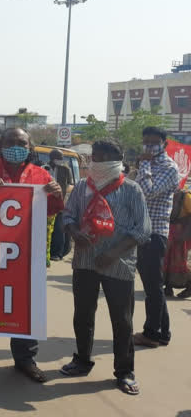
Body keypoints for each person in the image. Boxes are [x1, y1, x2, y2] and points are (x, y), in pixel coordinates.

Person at [0, 127, 63, 382]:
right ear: (0, 146)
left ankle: (25, 358)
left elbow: (52, 211)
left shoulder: (41, 176)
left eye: (22, 142)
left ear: (29, 147)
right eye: (10, 142)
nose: (16, 146)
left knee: (26, 305)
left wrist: (57, 195)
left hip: (27, 253)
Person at [59, 139, 151, 396]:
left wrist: (112, 254)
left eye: (98, 158)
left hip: (119, 264)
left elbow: (142, 230)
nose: (93, 162)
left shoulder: (132, 190)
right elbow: (68, 215)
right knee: (83, 314)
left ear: (114, 159)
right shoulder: (81, 188)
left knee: (122, 320)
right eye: (92, 157)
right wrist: (74, 231)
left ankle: (124, 371)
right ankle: (82, 360)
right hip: (84, 262)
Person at [133, 126, 180, 348]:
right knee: (153, 285)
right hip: (142, 230)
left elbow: (147, 191)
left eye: (153, 142)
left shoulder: (169, 167)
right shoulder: (149, 165)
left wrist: (143, 163)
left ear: (164, 143)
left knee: (152, 287)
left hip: (154, 232)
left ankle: (151, 333)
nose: (149, 146)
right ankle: (163, 333)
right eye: (146, 142)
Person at [164, 190, 191, 299]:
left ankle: (189, 287)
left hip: (181, 233)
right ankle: (168, 287)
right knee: (167, 259)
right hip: (169, 231)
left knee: (180, 262)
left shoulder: (186, 196)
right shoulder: (166, 192)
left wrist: (186, 233)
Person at [50, 149, 75, 261]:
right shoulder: (44, 167)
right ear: (52, 157)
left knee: (59, 229)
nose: (61, 160)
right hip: (45, 202)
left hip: (60, 202)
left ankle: (58, 253)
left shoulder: (66, 169)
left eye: (62, 158)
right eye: (59, 157)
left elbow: (70, 184)